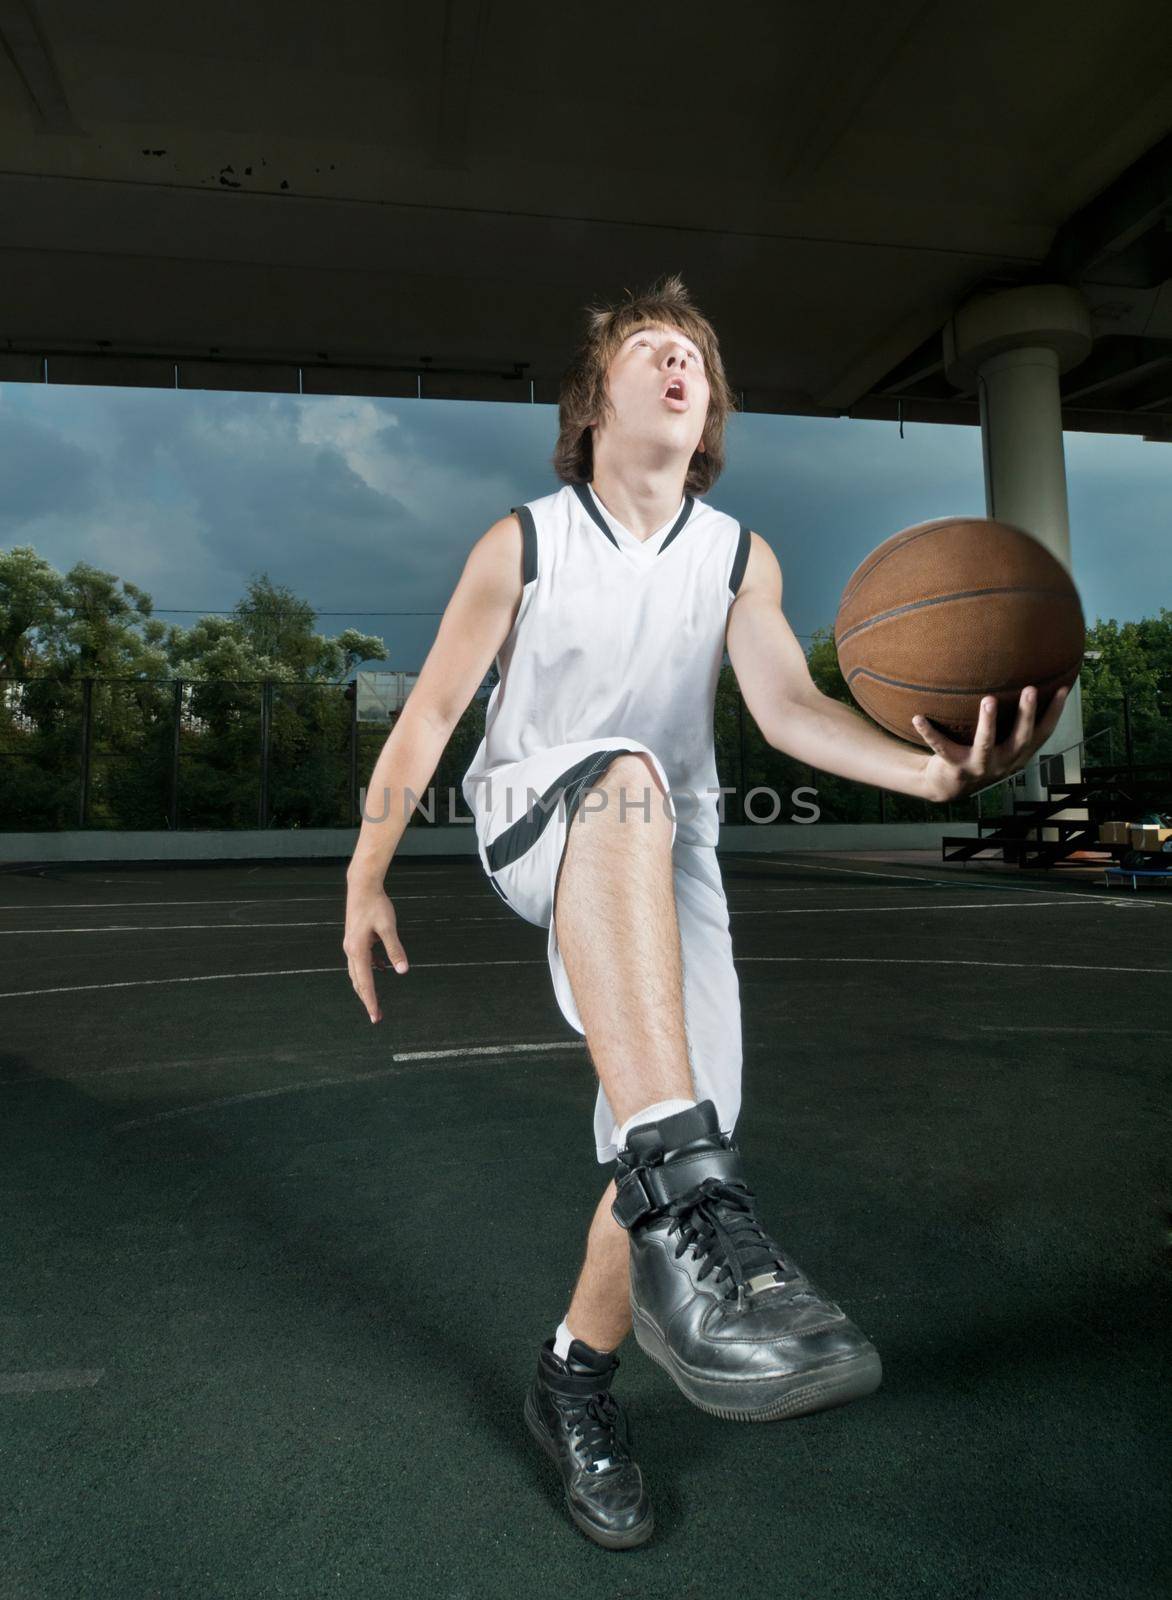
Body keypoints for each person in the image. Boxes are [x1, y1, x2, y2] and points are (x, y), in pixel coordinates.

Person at [342, 273, 1068, 1550]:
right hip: (539, 808)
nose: (680, 367)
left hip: (667, 844)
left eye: (696, 359)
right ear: (595, 399)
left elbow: (787, 706)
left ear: (710, 407)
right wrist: (365, 870)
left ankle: (571, 1378)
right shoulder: (523, 539)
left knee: (683, 1127)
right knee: (622, 787)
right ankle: (689, 1211)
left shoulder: (738, 554)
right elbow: (429, 715)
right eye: (651, 351)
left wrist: (931, 770)